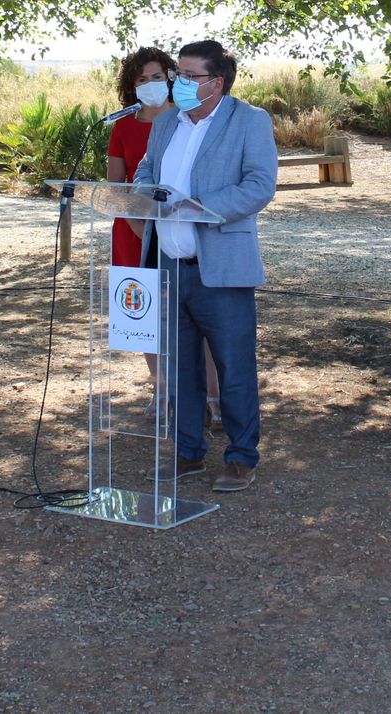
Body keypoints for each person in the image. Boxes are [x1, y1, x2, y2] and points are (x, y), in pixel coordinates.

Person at [132, 40, 277, 492]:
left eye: (190, 77)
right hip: (169, 265)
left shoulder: (249, 121)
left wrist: (197, 207)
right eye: (178, 75)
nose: (179, 84)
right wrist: (140, 193)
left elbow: (259, 186)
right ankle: (187, 452)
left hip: (221, 266)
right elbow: (145, 171)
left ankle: (240, 457)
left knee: (234, 367)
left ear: (216, 82)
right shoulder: (167, 122)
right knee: (179, 369)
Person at [106, 47, 225, 425]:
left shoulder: (186, 119)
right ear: (131, 86)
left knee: (195, 317)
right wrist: (144, 231)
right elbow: (116, 189)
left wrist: (164, 229)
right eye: (142, 79)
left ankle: (213, 396)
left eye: (157, 77)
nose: (150, 85)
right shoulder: (122, 127)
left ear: (171, 79)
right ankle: (162, 391)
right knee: (145, 320)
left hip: (183, 235)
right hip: (133, 234)